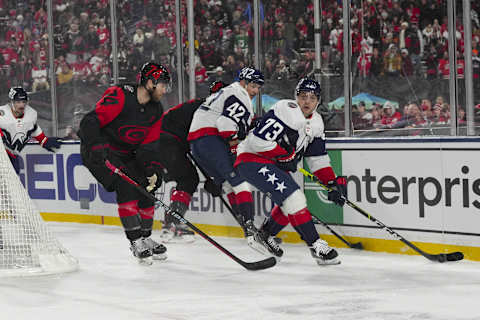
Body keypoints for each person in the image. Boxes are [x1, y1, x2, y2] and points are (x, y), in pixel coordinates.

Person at [234, 78, 344, 266]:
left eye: (312, 98)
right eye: (303, 97)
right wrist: (286, 154)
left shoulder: (317, 122)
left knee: (292, 200)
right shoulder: (287, 110)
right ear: (296, 97)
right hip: (251, 159)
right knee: (294, 198)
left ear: (318, 100)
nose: (307, 102)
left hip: (271, 163)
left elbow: (317, 157)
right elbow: (257, 142)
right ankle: (316, 245)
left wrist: (331, 183)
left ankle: (266, 234)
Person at [77, 62, 170, 264]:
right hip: (99, 151)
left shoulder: (156, 110)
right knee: (126, 185)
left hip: (126, 153)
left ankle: (145, 237)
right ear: (150, 82)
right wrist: (95, 145)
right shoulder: (121, 95)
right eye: (162, 85)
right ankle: (135, 241)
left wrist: (152, 168)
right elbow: (89, 122)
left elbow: (149, 146)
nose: (164, 90)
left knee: (148, 187)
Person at [136, 81, 227, 243]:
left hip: (163, 141)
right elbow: (203, 147)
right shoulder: (211, 110)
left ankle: (171, 223)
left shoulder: (205, 106)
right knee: (188, 178)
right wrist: (213, 177)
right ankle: (172, 223)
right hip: (166, 141)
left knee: (186, 178)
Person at [187, 67, 264, 249]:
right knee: (240, 181)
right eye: (253, 86)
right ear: (244, 82)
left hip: (197, 144)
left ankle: (247, 229)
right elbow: (225, 124)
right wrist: (235, 146)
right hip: (211, 140)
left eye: (259, 87)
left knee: (230, 184)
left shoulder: (226, 92)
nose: (255, 91)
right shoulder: (239, 94)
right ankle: (251, 229)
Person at [0, 87, 61, 174]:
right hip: (2, 154)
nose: (21, 105)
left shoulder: (31, 114)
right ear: (12, 102)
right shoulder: (2, 113)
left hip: (12, 155)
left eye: (23, 102)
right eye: (18, 102)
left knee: (13, 178)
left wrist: (44, 140)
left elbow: (34, 129)